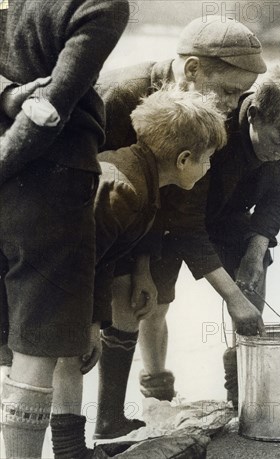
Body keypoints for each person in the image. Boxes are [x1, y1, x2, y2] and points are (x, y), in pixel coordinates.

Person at [93, 16, 267, 439]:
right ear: (192, 69)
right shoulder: (118, 95)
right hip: (95, 218)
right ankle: (106, 420)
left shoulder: (209, 111)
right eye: (227, 90)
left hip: (146, 222)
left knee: (146, 302)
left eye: (239, 94)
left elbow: (181, 207)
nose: (232, 104)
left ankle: (139, 405)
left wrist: (144, 266)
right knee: (109, 307)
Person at [141, 68, 280, 409]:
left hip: (228, 215)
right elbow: (188, 225)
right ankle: (157, 387)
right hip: (172, 214)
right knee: (155, 301)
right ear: (254, 113)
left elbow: (274, 199)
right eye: (277, 142)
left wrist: (255, 253)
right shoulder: (215, 125)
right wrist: (231, 295)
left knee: (255, 266)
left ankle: (243, 377)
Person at [0, 1, 129, 457]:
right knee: (38, 339)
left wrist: (6, 93)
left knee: (13, 337)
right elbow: (50, 106)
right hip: (52, 182)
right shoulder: (101, 5)